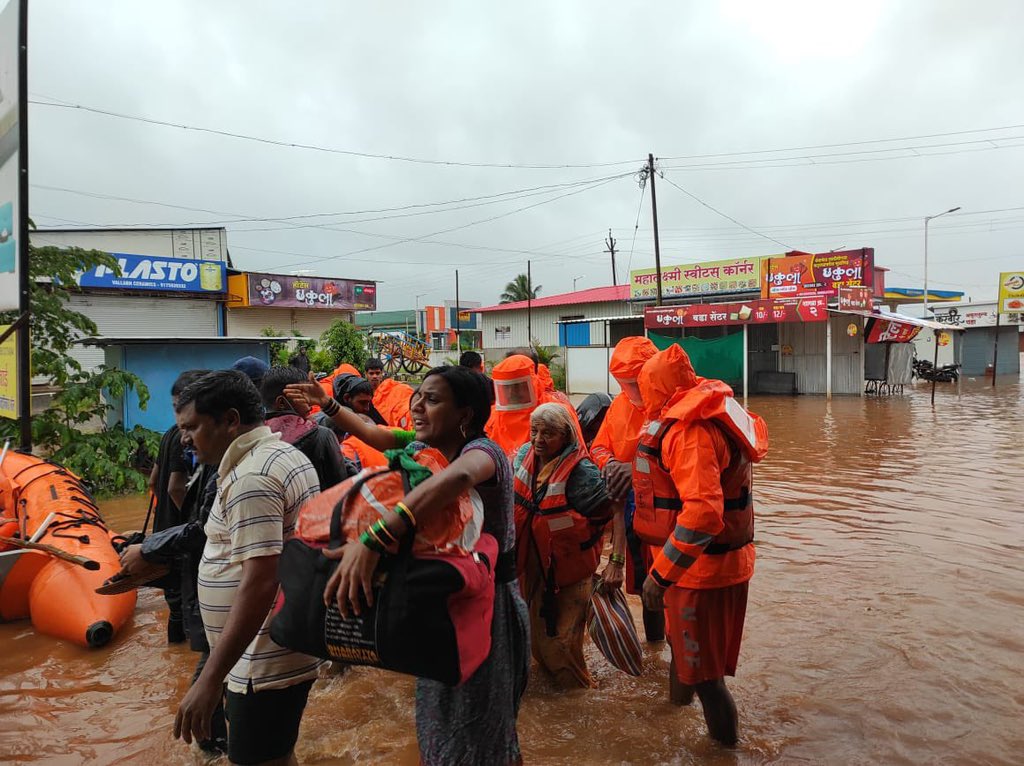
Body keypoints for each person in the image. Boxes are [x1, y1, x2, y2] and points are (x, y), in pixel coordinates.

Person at [284, 367, 530, 766]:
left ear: (465, 415)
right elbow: (377, 436)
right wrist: (327, 403)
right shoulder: (423, 448)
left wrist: (376, 539)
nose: (417, 405)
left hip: (488, 610)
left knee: (480, 728)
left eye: (432, 399)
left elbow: (459, 478)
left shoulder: (485, 454)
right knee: (440, 721)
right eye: (417, 395)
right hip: (442, 605)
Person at [169, 370, 323, 765]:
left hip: (262, 659)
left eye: (192, 427)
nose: (184, 438)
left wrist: (209, 678)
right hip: (275, 648)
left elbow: (261, 580)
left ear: (231, 420)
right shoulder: (281, 453)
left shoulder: (252, 478)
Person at [634, 344, 768, 747]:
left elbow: (704, 515)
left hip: (703, 573)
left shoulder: (690, 432)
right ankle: (673, 722)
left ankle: (724, 753)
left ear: (656, 389)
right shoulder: (706, 409)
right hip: (704, 566)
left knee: (708, 680)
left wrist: (660, 575)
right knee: (683, 653)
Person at [513, 403, 611, 689]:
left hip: (569, 573)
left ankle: (579, 700)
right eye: (534, 431)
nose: (538, 440)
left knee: (562, 646)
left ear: (566, 436)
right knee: (536, 642)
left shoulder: (584, 473)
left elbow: (612, 509)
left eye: (548, 433)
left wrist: (615, 562)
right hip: (532, 567)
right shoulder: (523, 455)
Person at [589, 336, 663, 640]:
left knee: (671, 587)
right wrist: (611, 464)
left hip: (669, 514)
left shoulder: (674, 404)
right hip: (634, 512)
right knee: (647, 586)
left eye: (635, 381)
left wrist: (629, 469)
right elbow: (599, 447)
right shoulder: (620, 405)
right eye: (624, 382)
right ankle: (656, 649)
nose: (630, 389)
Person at [149, 369, 208, 644]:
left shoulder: (168, 434)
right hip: (181, 539)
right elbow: (174, 487)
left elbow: (153, 481)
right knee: (189, 614)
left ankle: (176, 666)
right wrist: (195, 521)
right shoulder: (186, 441)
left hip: (164, 533)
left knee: (176, 609)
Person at [261, 366, 348, 490]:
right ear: (281, 402)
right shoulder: (321, 436)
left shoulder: (253, 437)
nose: (310, 402)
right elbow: (340, 489)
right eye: (303, 395)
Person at [486, 354, 583, 460]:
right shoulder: (492, 415)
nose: (511, 392)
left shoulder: (557, 411)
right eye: (506, 387)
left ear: (533, 382)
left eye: (517, 386)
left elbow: (578, 452)